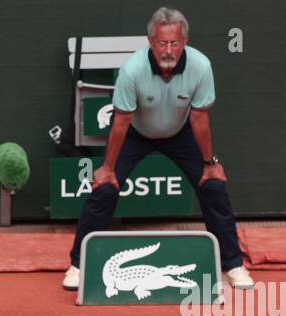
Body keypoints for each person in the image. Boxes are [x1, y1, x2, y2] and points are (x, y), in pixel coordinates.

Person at [63, 7, 254, 291]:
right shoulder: (132, 70)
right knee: (103, 188)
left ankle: (232, 264)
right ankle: (79, 264)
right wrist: (107, 169)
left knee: (213, 187)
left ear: (184, 42)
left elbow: (200, 118)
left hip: (180, 132)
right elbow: (121, 121)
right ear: (150, 42)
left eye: (174, 43)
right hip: (136, 133)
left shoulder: (200, 66)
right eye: (162, 43)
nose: (168, 50)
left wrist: (210, 163)